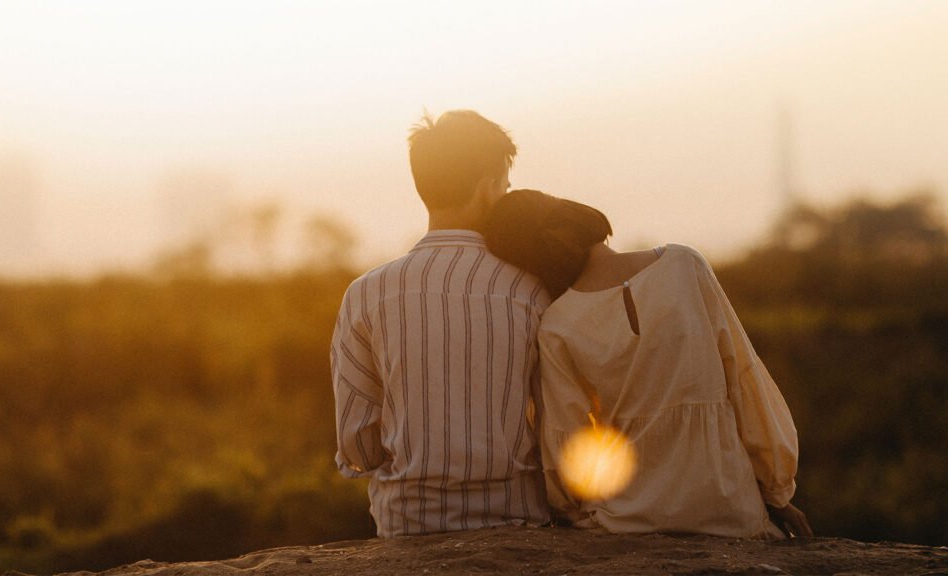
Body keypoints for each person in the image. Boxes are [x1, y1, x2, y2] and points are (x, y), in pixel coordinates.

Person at [483, 189, 812, 539]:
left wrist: (570, 511)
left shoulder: (557, 325)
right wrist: (776, 492)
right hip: (729, 508)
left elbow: (568, 442)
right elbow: (745, 380)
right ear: (574, 213)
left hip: (627, 520)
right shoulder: (685, 265)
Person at [331, 111, 552, 537]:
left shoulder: (366, 293)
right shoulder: (531, 290)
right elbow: (556, 422)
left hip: (409, 524)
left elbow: (356, 444)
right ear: (489, 188)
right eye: (505, 187)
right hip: (517, 521)